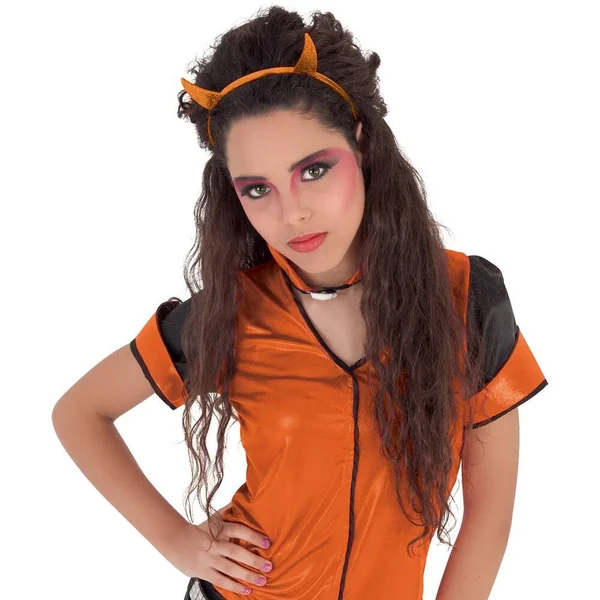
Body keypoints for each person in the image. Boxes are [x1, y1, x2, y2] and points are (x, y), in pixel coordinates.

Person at [52, 6, 549, 600]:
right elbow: (79, 413)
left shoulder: (467, 300)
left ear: (360, 142)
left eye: (313, 171)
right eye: (257, 189)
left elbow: (488, 518)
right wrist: (178, 542)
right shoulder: (230, 313)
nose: (291, 213)